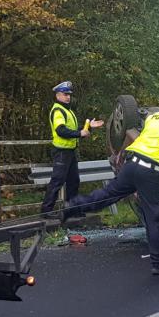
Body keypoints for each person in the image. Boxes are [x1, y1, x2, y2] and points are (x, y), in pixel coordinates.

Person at [64, 93, 159, 275]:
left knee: (108, 194)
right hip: (152, 172)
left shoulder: (153, 117)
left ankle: (72, 206)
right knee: (157, 216)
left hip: (131, 164)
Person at [40, 81, 103, 216]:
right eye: (65, 94)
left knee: (74, 181)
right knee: (57, 181)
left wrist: (89, 127)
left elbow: (74, 130)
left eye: (69, 94)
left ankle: (72, 209)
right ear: (57, 95)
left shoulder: (68, 111)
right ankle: (46, 211)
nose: (68, 97)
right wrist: (80, 134)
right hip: (62, 151)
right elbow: (61, 131)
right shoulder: (58, 110)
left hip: (70, 151)